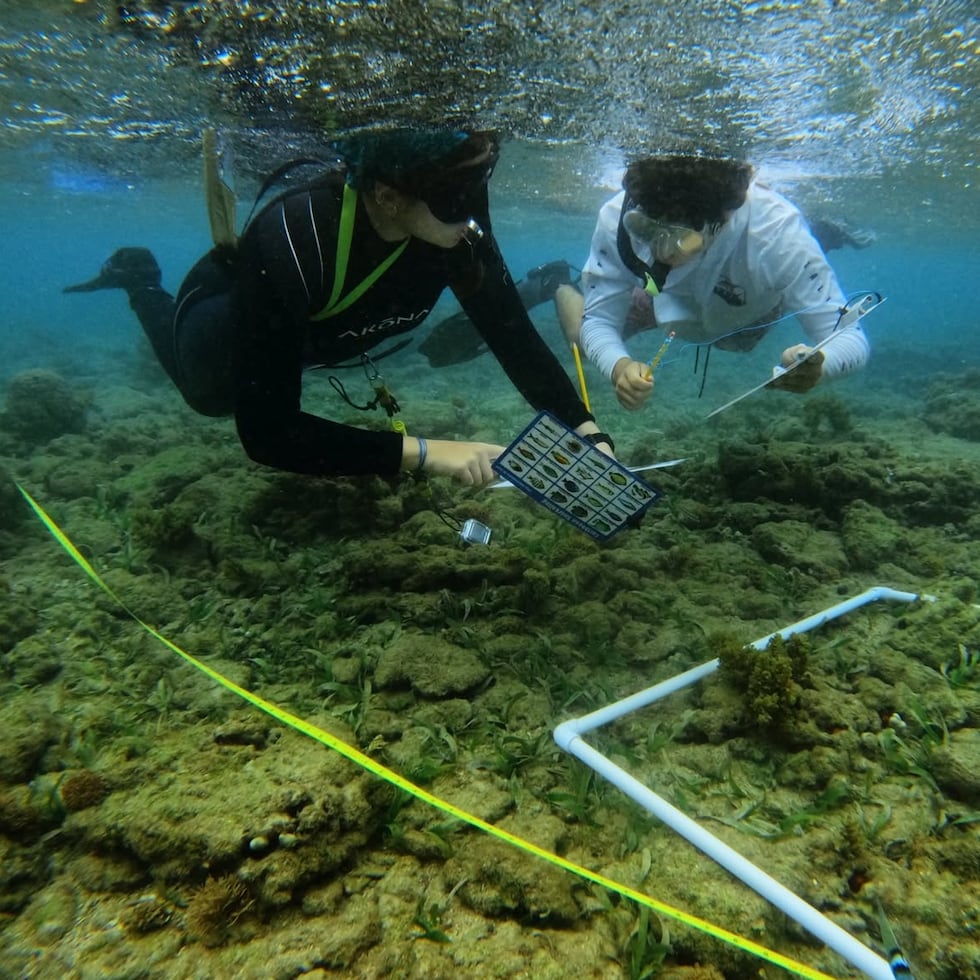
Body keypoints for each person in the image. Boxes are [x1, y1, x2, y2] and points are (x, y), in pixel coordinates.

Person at [65, 128, 615, 484]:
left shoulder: (456, 231)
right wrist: (427, 451)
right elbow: (268, 435)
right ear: (387, 194)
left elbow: (510, 335)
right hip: (226, 313)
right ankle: (140, 280)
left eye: (479, 192)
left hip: (326, 336)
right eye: (454, 201)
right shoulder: (293, 239)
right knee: (209, 393)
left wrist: (587, 432)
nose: (471, 219)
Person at [557, 154, 872, 410]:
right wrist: (620, 366)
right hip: (658, 292)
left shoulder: (778, 235)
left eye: (679, 240)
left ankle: (826, 234)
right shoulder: (615, 218)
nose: (660, 251)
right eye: (647, 230)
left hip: (750, 312)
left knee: (736, 342)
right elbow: (597, 321)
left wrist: (819, 366)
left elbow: (852, 339)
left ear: (725, 219)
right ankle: (556, 282)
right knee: (578, 339)